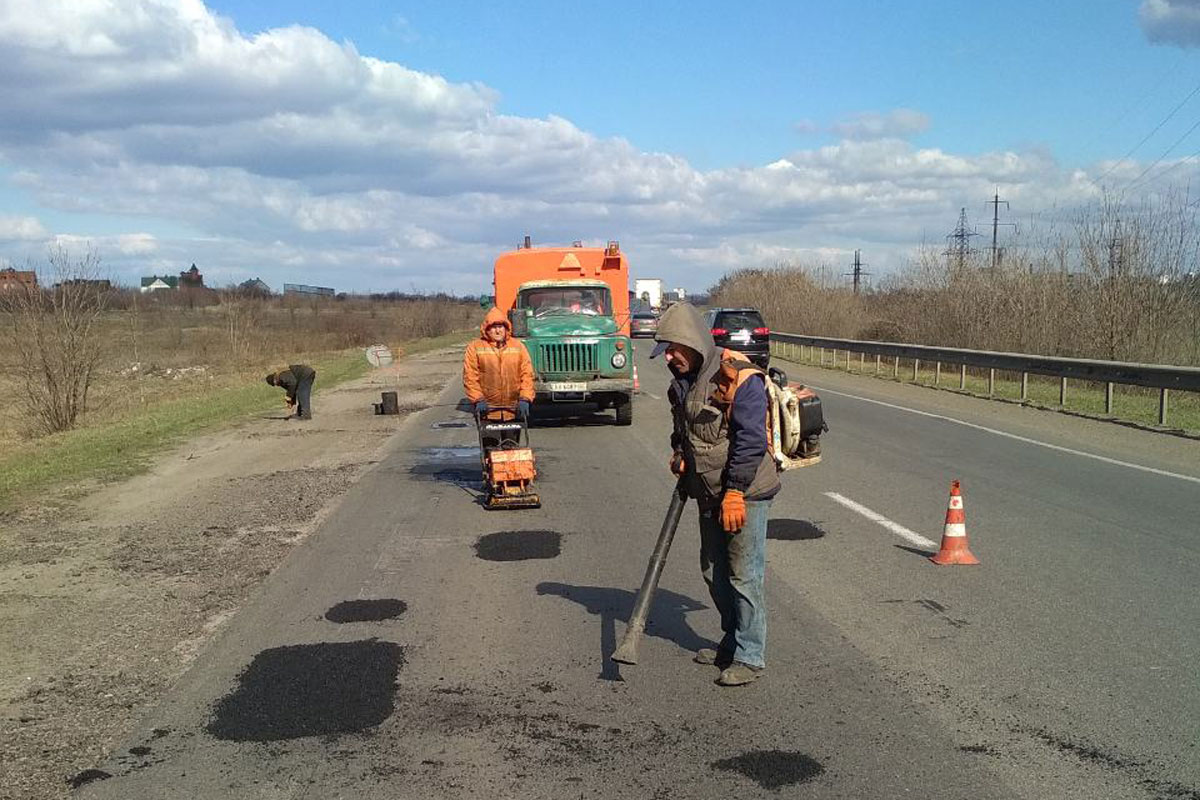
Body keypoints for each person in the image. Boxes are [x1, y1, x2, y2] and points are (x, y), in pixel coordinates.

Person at [650, 302, 779, 687]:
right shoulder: (683, 381)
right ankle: (730, 640)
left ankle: (751, 655)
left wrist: (736, 493)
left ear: (692, 342)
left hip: (745, 492)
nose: (669, 357)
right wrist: (679, 454)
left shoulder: (739, 377)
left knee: (744, 575)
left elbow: (751, 440)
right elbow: (684, 429)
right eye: (666, 351)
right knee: (713, 569)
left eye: (673, 348)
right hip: (707, 491)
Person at [463, 307, 535, 428]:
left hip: (513, 409)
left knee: (512, 445)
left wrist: (525, 398)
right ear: (487, 329)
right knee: (490, 445)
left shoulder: (518, 346)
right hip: (487, 410)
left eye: (500, 327)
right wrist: (478, 399)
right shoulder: (475, 347)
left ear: (506, 328)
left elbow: (527, 374)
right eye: (494, 327)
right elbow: (470, 377)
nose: (497, 331)